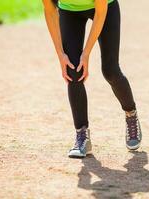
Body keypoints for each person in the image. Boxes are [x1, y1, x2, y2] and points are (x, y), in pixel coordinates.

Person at [42, 0, 142, 158]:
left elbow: (101, 12)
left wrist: (86, 53)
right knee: (73, 71)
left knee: (110, 71)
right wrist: (61, 55)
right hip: (70, 11)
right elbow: (49, 11)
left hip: (104, 8)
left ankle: (131, 114)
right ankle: (82, 135)